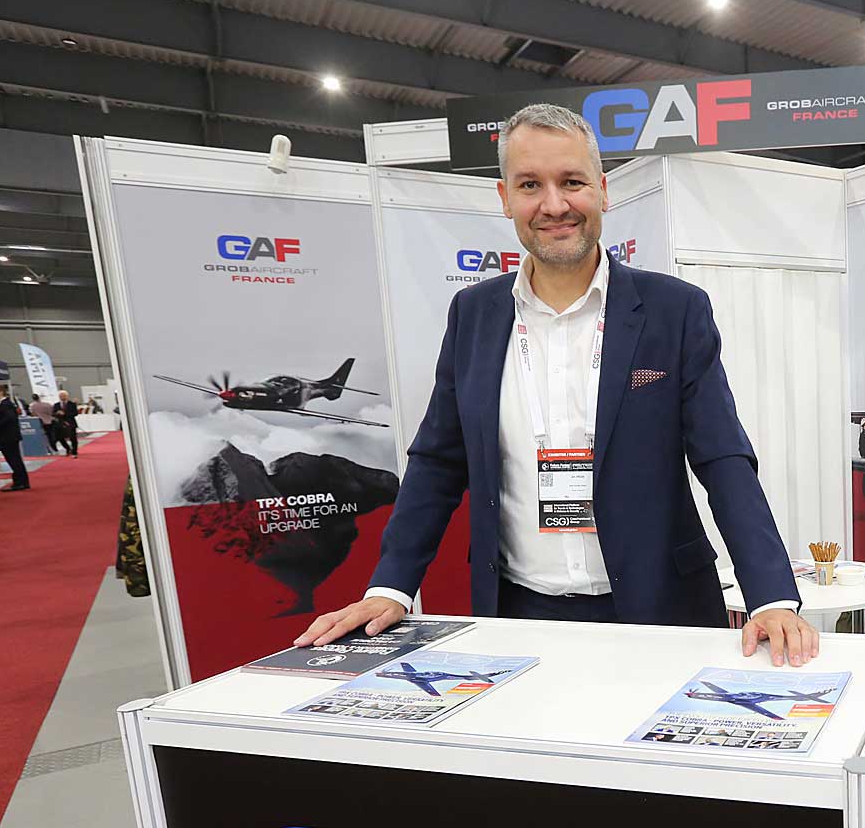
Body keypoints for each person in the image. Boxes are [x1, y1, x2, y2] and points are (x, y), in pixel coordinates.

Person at [296, 103, 818, 666]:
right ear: (505, 198)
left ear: (603, 190)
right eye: (530, 185)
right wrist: (391, 586)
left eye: (572, 182)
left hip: (663, 609)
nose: (553, 205)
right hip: (518, 615)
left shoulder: (675, 310)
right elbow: (438, 461)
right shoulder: (473, 315)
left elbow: (723, 457)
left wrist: (770, 595)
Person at [0, 384, 29, 491]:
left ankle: (20, 482)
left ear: (0, 392)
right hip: (7, 436)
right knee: (14, 459)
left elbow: (10, 418)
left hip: (8, 437)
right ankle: (21, 481)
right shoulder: (3, 404)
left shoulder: (6, 404)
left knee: (14, 459)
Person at [53, 389, 80, 457]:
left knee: (73, 438)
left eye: (64, 395)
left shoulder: (72, 404)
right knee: (60, 438)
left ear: (67, 396)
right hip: (60, 424)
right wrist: (57, 413)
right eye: (61, 396)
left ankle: (74, 451)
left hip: (71, 423)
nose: (62, 397)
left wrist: (65, 414)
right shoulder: (56, 405)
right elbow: (53, 414)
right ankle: (68, 448)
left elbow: (75, 413)